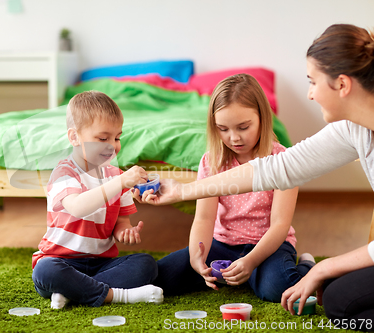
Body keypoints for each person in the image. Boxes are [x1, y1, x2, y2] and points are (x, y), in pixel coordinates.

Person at [135, 23, 374, 331]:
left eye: (313, 82)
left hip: (269, 250)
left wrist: (323, 267)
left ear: (342, 84)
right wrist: (182, 191)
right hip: (226, 245)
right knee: (340, 302)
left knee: (322, 295)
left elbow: (277, 186)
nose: (310, 94)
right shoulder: (354, 128)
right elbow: (278, 169)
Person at [152, 74, 314, 302]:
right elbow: (204, 219)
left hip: (268, 246)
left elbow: (279, 225)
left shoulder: (283, 159)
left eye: (243, 127)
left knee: (278, 289)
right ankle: (246, 276)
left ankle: (307, 266)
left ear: (262, 118)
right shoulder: (212, 161)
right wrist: (196, 259)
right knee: (161, 277)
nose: (234, 138)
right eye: (223, 129)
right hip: (222, 245)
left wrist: (251, 261)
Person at [31, 91, 163, 309]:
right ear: (74, 137)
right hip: (60, 260)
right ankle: (119, 295)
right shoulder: (65, 173)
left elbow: (121, 223)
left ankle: (74, 291)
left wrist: (125, 233)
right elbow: (78, 207)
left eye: (117, 137)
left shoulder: (116, 176)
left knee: (146, 264)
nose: (113, 145)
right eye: (103, 138)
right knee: (45, 270)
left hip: (101, 264)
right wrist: (120, 182)